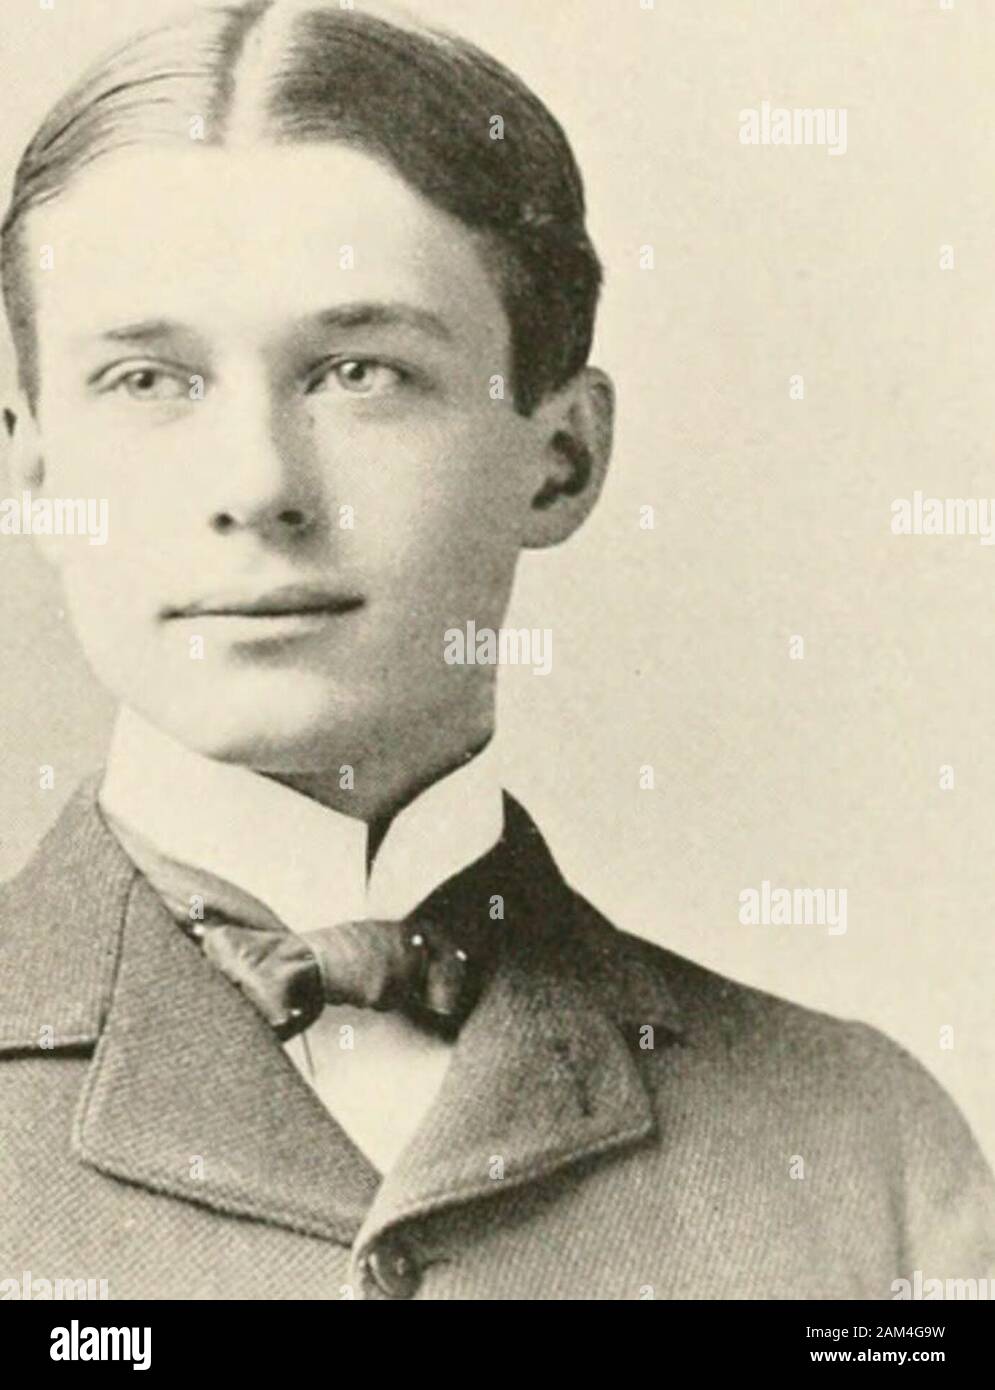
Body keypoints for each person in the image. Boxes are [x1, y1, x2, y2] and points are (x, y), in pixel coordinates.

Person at [0, 0, 992, 1301]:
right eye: (148, 380)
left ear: (562, 456)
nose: (257, 487)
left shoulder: (864, 1152)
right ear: (32, 466)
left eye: (361, 372)